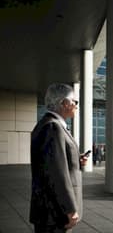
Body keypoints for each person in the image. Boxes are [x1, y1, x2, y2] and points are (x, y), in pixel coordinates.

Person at [30, 83, 88, 232]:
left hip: (51, 210)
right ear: (63, 103)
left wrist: (76, 160)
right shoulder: (52, 127)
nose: (76, 105)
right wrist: (69, 209)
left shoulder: (49, 125)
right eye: (74, 101)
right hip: (55, 213)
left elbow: (54, 163)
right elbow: (56, 174)